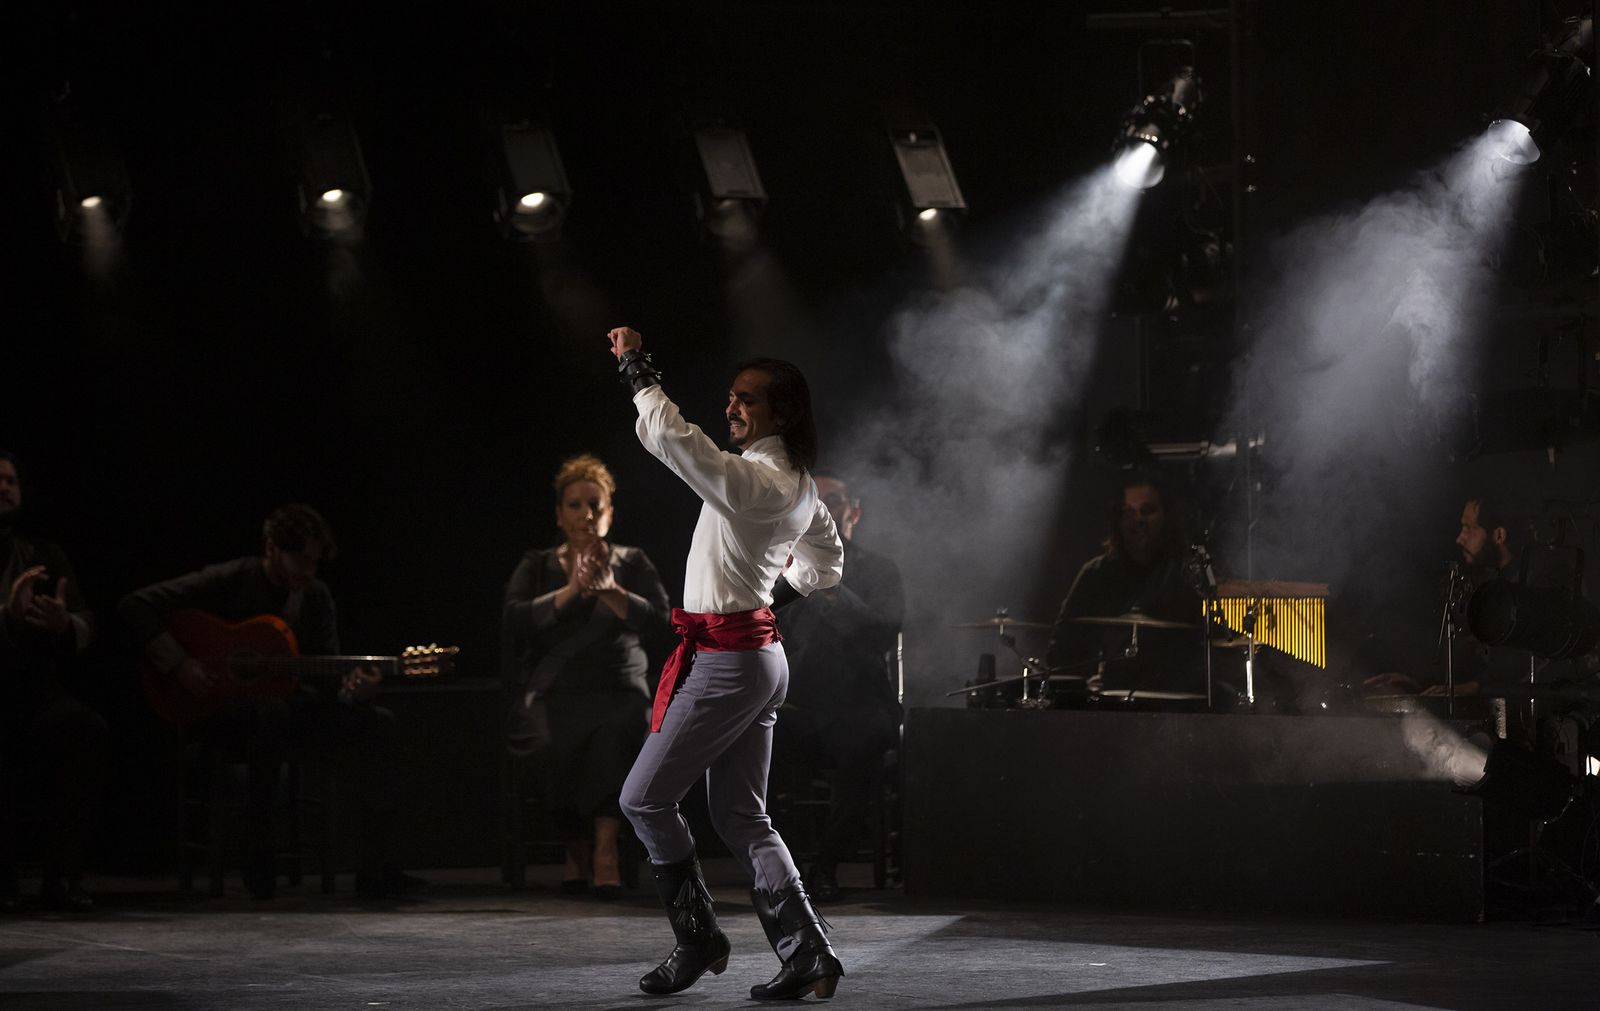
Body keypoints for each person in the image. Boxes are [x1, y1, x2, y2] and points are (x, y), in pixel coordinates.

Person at [607, 326, 846, 1001]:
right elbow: (826, 565)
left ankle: (699, 937)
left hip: (732, 662)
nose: (731, 407)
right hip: (754, 655)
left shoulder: (759, 480)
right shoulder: (796, 485)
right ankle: (808, 951)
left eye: (746, 400)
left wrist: (636, 369)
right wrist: (769, 593)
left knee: (642, 797)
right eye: (732, 397)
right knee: (742, 814)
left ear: (781, 414)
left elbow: (675, 441)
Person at [118, 504, 412, 899]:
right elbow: (135, 604)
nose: (308, 571)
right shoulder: (231, 578)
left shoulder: (315, 596)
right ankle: (258, 855)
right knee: (269, 713)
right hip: (221, 711)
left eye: (314, 562)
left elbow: (328, 675)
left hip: (291, 711)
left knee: (380, 722)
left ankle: (377, 869)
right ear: (271, 547)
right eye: (299, 559)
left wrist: (354, 693)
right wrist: (181, 664)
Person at [501, 453, 671, 899]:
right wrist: (574, 590)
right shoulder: (539, 564)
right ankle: (573, 846)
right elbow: (514, 620)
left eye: (596, 505)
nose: (586, 514)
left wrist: (611, 591)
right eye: (575, 505)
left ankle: (604, 851)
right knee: (542, 742)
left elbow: (661, 622)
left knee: (616, 735)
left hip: (619, 692)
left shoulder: (632, 562)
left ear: (610, 513)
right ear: (560, 514)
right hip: (554, 692)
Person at [771, 469, 902, 902]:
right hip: (798, 705)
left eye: (832, 502)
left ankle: (825, 867)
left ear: (853, 513)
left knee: (866, 741)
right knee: (746, 739)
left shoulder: (879, 569)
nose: (821, 511)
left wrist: (833, 590)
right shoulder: (783, 566)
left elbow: (882, 633)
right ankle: (778, 868)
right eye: (813, 502)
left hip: (857, 703)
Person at [0, 450, 107, 912]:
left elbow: (86, 620)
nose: (4, 487)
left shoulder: (45, 555)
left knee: (86, 730)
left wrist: (64, 624)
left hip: (32, 693)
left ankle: (61, 877)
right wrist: (6, 615)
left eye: (10, 480)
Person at [1045, 476, 1202, 695]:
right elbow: (1061, 649)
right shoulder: (1095, 574)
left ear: (1166, 516)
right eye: (1128, 512)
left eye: (1147, 511)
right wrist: (1085, 681)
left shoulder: (1187, 573)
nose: (1138, 520)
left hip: (1173, 701)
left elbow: (1207, 647)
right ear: (1117, 520)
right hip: (1106, 700)